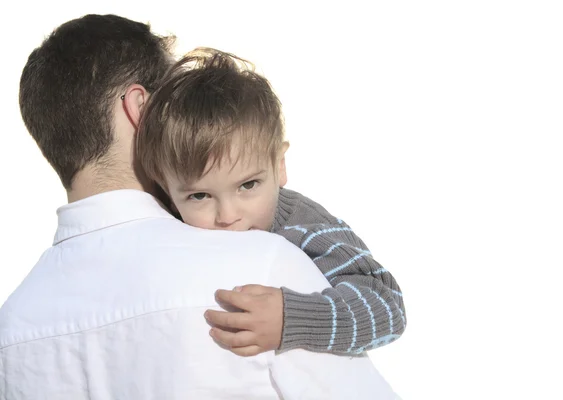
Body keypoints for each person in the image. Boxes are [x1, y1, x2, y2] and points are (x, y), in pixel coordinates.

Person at [0, 13, 399, 399]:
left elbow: (384, 302)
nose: (228, 217)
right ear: (141, 110)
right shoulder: (261, 265)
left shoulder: (11, 326)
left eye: (247, 184)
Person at [136, 49, 407, 356]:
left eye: (247, 185)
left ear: (280, 165)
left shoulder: (306, 226)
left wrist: (292, 318)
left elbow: (388, 309)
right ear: (166, 190)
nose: (228, 216)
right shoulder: (163, 226)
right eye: (200, 195)